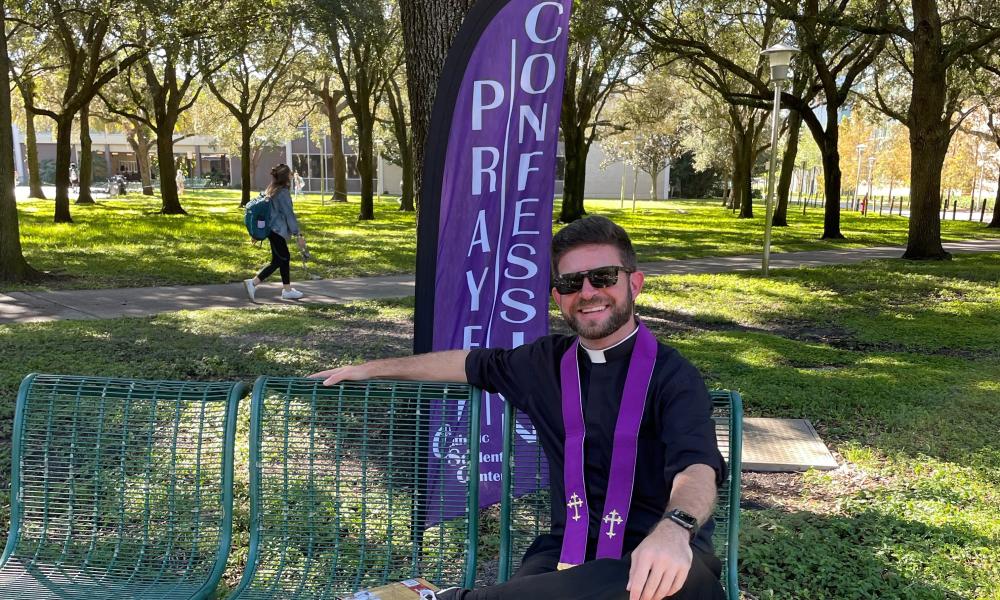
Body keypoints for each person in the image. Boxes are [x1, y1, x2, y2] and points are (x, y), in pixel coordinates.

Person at [312, 216, 726, 600]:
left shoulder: (674, 377)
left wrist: (677, 527)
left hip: (664, 554)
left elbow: (698, 467)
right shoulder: (543, 364)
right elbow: (467, 363)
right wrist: (370, 368)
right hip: (569, 550)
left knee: (665, 583)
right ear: (557, 297)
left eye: (603, 277)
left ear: (634, 283)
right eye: (570, 283)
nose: (587, 292)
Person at [244, 164, 307, 301]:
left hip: (273, 230)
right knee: (281, 259)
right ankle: (253, 283)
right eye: (290, 173)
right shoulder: (282, 193)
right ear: (286, 177)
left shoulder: (272, 189)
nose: (291, 175)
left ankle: (287, 290)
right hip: (276, 231)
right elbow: (289, 214)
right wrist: (298, 234)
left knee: (281, 259)